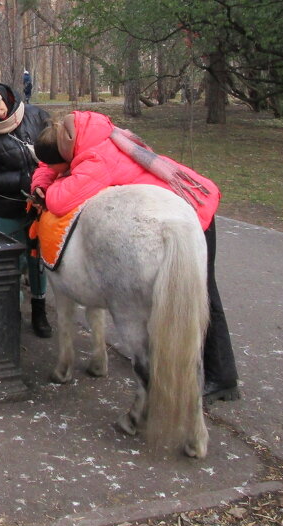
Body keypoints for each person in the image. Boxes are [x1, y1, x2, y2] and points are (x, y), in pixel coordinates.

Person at [30, 110, 240, 403]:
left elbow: (60, 200)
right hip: (185, 203)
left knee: (199, 294)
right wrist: (42, 178)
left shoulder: (96, 161)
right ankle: (214, 373)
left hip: (190, 215)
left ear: (67, 150)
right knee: (197, 293)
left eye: (60, 163)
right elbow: (47, 164)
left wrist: (47, 188)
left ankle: (220, 377)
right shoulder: (89, 132)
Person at [0, 74, 53, 337]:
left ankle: (40, 309)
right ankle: (10, 312)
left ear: (3, 95)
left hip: (43, 205)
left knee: (38, 259)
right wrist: (22, 180)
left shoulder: (36, 116)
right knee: (11, 262)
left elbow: (57, 150)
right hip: (8, 208)